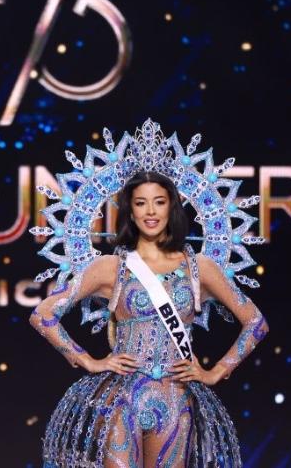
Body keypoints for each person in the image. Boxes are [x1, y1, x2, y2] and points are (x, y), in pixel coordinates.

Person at [30, 169, 269, 467]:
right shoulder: (110, 267)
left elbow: (256, 323)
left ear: (172, 206)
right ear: (130, 210)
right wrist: (88, 360)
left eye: (159, 201)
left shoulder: (200, 268)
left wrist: (217, 371)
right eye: (141, 203)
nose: (151, 211)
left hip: (174, 397)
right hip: (122, 397)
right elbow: (43, 314)